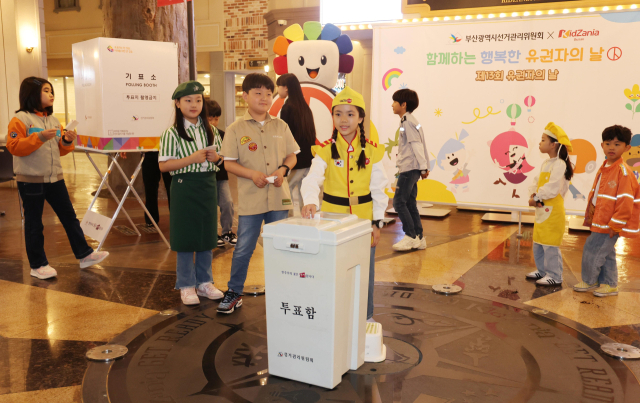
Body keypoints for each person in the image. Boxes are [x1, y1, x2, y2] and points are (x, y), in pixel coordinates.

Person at [6, 76, 109, 279]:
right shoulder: (20, 119)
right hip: (31, 180)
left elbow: (59, 150)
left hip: (55, 178)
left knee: (69, 217)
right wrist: (40, 136)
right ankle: (37, 265)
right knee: (34, 223)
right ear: (32, 94)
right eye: (46, 91)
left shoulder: (53, 121)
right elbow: (14, 147)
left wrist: (67, 141)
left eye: (51, 91)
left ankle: (85, 254)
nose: (51, 94)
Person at [301, 86, 388, 322]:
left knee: (364, 270)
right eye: (338, 114)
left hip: (363, 222)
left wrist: (377, 223)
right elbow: (311, 180)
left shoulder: (373, 151)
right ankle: (333, 316)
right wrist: (310, 201)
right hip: (332, 222)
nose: (343, 120)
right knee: (332, 269)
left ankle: (366, 317)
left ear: (360, 118)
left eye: (350, 114)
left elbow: (379, 190)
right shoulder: (324, 150)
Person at [218, 73, 299, 314]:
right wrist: (252, 174)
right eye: (258, 93)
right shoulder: (235, 129)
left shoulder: (281, 125)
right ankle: (234, 292)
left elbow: (292, 155)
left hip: (279, 198)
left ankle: (284, 292)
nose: (264, 98)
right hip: (251, 199)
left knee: (281, 247)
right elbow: (228, 163)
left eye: (268, 93)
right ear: (245, 96)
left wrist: (283, 169)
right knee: (244, 248)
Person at [158, 81, 225, 305]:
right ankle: (186, 285)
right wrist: (191, 159)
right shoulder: (171, 133)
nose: (194, 104)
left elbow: (222, 160)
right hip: (184, 186)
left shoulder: (212, 131)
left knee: (207, 235)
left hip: (208, 185)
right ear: (177, 104)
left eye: (198, 100)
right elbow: (163, 166)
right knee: (185, 236)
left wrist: (217, 159)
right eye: (188, 100)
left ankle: (205, 282)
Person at [573, 125, 640, 297]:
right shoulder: (605, 166)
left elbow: (625, 201)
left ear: (627, 148)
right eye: (608, 143)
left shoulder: (623, 172)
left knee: (592, 249)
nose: (612, 147)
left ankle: (589, 281)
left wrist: (616, 224)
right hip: (600, 219)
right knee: (607, 252)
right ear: (602, 145)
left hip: (609, 224)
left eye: (617, 144)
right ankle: (610, 284)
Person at [525, 122, 574, 286]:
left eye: (543, 140)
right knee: (539, 242)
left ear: (554, 144)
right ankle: (542, 270)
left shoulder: (560, 164)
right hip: (542, 209)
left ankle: (555, 275)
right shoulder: (546, 163)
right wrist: (533, 194)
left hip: (553, 212)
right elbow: (536, 181)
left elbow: (552, 188)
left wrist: (537, 198)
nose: (540, 143)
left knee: (550, 245)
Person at [390, 89, 430, 252]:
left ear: (403, 104)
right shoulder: (410, 120)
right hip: (411, 168)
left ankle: (410, 236)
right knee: (410, 203)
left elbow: (416, 145)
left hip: (409, 168)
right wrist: (423, 166)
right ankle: (419, 237)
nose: (392, 105)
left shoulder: (407, 121)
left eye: (395, 101)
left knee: (398, 202)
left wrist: (423, 167)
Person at [276, 74, 317, 216]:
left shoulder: (288, 107)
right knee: (305, 192)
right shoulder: (304, 107)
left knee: (285, 189)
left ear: (286, 88)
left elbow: (285, 137)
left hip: (295, 159)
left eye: (278, 86)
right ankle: (308, 221)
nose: (277, 90)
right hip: (308, 157)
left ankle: (287, 220)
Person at [205, 99, 237, 247]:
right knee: (210, 206)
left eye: (216, 119)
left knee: (227, 203)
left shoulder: (222, 135)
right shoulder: (199, 135)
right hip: (206, 177)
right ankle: (212, 234)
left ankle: (227, 232)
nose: (213, 122)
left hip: (221, 176)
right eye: (210, 119)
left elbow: (227, 156)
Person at [141, 150, 172, 227]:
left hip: (168, 152)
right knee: (149, 187)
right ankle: (151, 219)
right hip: (148, 150)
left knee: (172, 189)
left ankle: (176, 218)